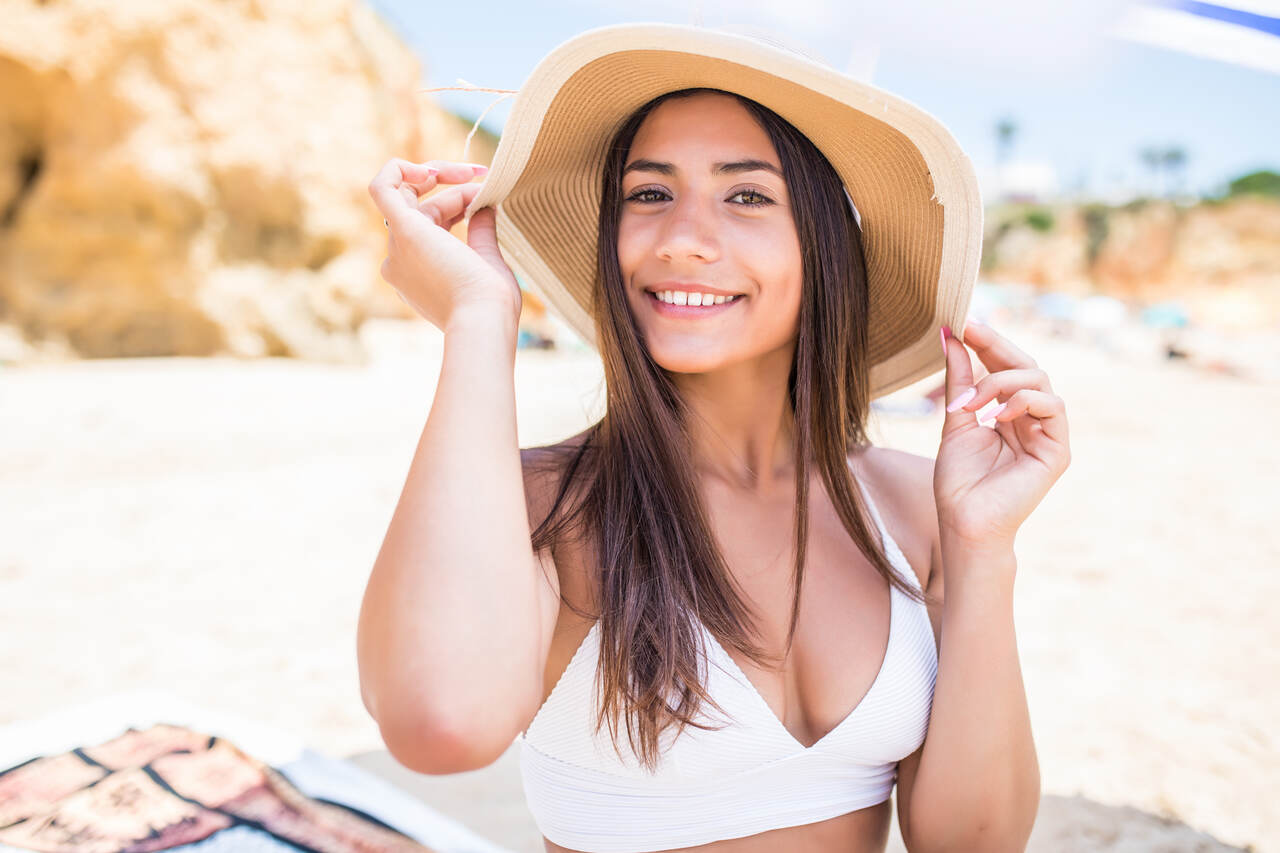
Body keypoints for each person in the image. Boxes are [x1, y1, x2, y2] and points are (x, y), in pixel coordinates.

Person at [360, 23, 1071, 853]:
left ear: (827, 248)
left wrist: (986, 548)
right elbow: (437, 726)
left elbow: (973, 842)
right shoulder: (541, 506)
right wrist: (479, 323)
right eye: (649, 194)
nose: (681, 239)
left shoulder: (919, 507)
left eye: (746, 196)